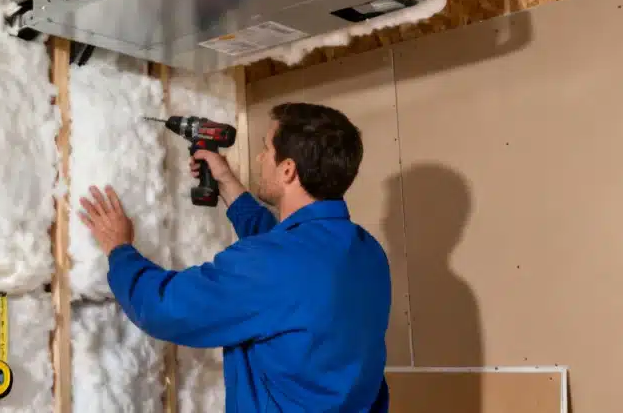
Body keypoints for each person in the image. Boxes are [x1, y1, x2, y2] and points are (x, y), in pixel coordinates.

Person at [78, 103, 391, 412]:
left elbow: (166, 308)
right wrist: (228, 184)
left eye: (266, 148)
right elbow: (289, 265)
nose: (259, 158)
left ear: (288, 169)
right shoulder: (367, 252)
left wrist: (119, 249)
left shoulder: (275, 265)